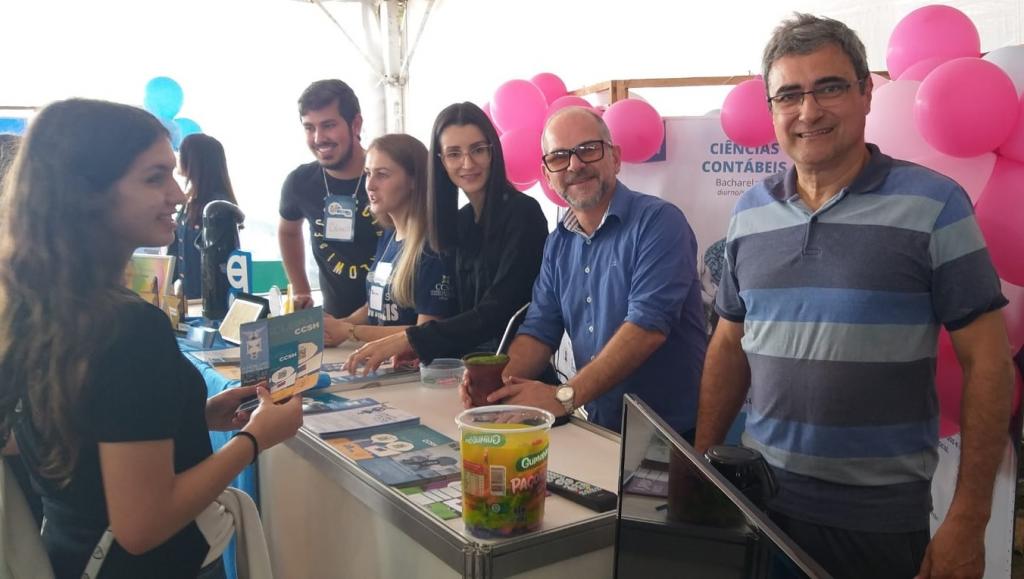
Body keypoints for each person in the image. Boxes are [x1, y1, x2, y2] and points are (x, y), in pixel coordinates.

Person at [694, 14, 1014, 579]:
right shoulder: (750, 213)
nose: (808, 111)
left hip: (877, 525)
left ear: (867, 92)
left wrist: (969, 520)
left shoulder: (935, 205)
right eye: (789, 95)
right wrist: (700, 466)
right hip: (757, 504)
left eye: (830, 87)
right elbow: (727, 346)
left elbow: (988, 362)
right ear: (771, 109)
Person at [0, 99, 303, 579]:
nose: (178, 195)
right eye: (154, 177)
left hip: (68, 554)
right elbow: (142, 524)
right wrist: (253, 439)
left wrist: (187, 417)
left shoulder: (34, 303)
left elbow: (75, 434)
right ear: (88, 193)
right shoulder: (129, 326)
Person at [467, 107, 706, 436]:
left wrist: (563, 397)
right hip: (600, 427)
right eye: (559, 157)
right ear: (547, 174)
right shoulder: (558, 244)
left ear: (615, 158)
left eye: (588, 149)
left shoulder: (659, 223)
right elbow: (539, 330)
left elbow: (647, 327)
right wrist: (495, 387)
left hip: (668, 435)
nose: (575, 165)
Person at [345, 102, 548, 373]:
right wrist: (423, 350)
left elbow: (498, 310)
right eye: (454, 154)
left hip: (516, 372)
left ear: (493, 152)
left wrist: (413, 340)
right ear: (440, 162)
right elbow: (458, 314)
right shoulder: (460, 222)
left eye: (478, 150)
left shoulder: (523, 214)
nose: (467, 163)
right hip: (465, 373)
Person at [323, 134, 456, 346]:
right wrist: (339, 325)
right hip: (378, 357)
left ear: (414, 180)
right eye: (368, 173)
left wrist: (350, 331)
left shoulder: (432, 246)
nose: (370, 185)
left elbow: (425, 331)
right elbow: (377, 305)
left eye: (382, 175)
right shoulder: (388, 234)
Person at [279, 79, 379, 317]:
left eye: (328, 125)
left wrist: (353, 325)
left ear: (356, 124)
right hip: (333, 322)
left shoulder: (387, 176)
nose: (318, 138)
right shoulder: (299, 182)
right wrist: (301, 290)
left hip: (391, 324)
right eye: (309, 127)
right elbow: (288, 231)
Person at [169, 133, 239, 300]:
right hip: (189, 296)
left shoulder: (217, 207)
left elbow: (220, 262)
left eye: (181, 152)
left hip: (210, 298)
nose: (177, 157)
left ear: (194, 160)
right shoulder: (189, 202)